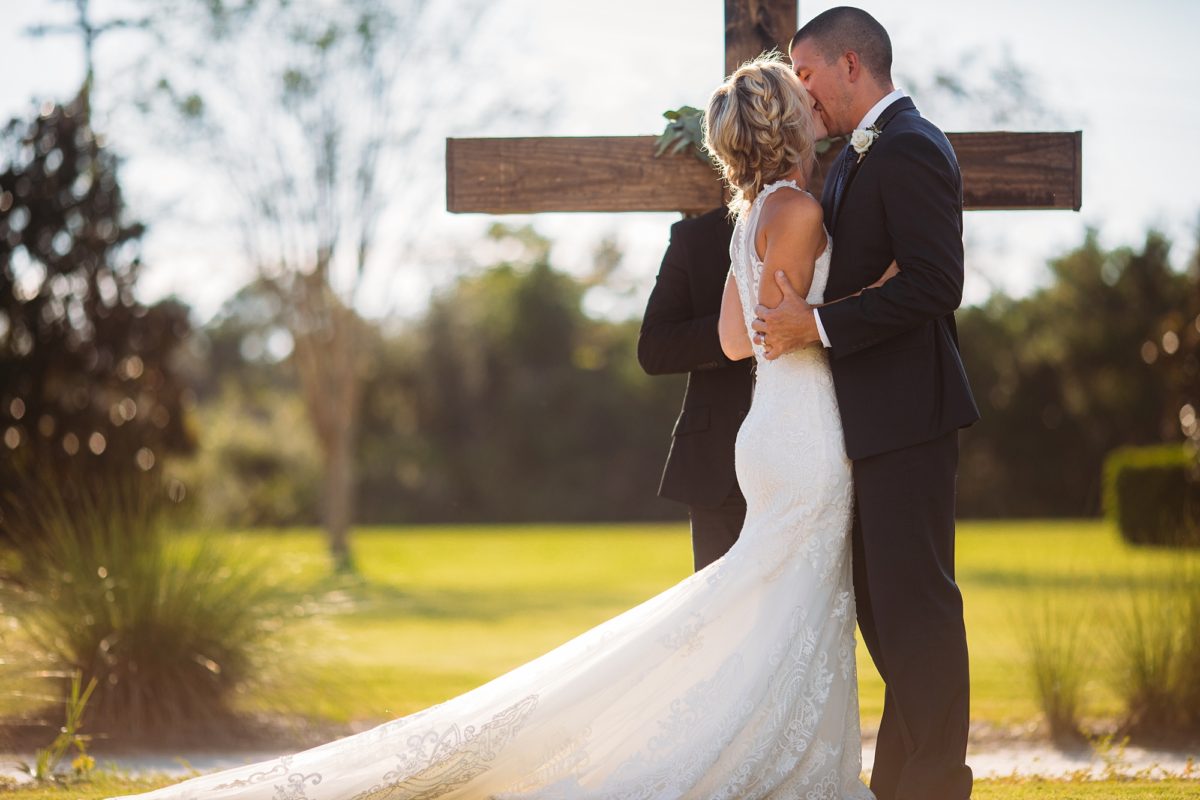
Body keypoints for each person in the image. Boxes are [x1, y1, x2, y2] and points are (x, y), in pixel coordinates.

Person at [105, 54, 885, 800]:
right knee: (799, 598)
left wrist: (792, 318)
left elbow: (730, 337)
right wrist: (856, 296)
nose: (819, 114)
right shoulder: (804, 209)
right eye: (805, 103)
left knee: (777, 603)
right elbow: (775, 326)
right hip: (802, 432)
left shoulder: (750, 216)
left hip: (772, 430)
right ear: (788, 124)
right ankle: (767, 764)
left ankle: (767, 756)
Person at [752, 8, 981, 800]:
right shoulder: (853, 156)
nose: (802, 93)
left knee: (917, 606)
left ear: (852, 64)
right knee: (886, 612)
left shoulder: (912, 145)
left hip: (911, 413)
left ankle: (940, 781)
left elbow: (935, 283)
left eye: (807, 75)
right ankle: (903, 783)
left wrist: (815, 322)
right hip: (868, 418)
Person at [638, 208, 753, 571]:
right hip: (720, 461)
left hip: (816, 451)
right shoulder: (697, 237)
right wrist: (736, 332)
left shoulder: (832, 220)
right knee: (723, 617)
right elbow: (654, 349)